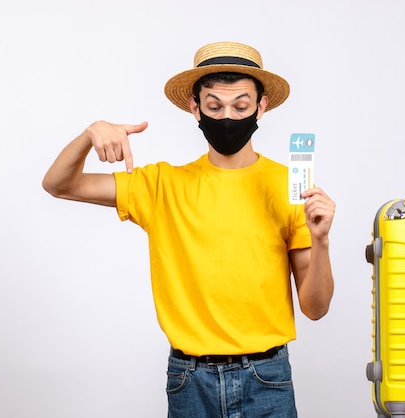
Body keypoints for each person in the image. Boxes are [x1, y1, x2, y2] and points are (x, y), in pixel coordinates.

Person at [42, 41, 335, 418]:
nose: (227, 116)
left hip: (267, 378)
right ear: (194, 107)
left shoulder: (291, 186)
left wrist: (321, 240)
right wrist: (90, 134)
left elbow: (316, 308)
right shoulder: (163, 185)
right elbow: (58, 184)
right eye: (214, 106)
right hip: (189, 380)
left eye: (241, 106)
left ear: (261, 107)